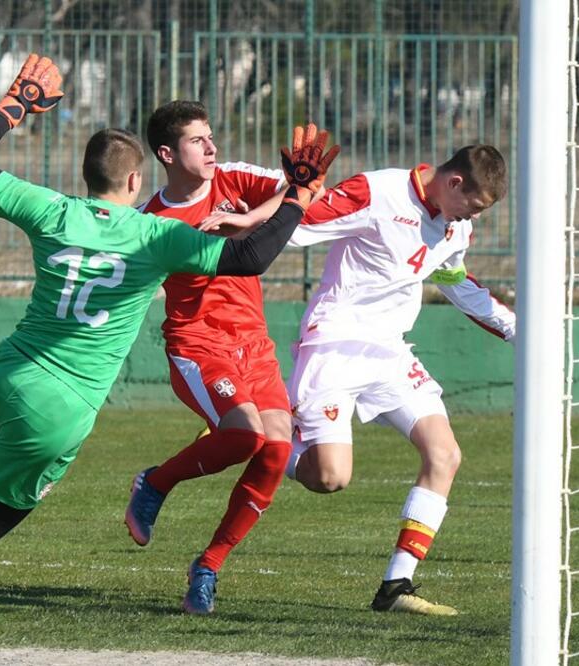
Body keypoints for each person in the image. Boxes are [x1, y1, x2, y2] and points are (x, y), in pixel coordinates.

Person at [0, 54, 337, 631]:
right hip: (61, 405)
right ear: (137, 181)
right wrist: (299, 197)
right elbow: (250, 258)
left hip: (7, 371)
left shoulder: (51, 209)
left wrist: (13, 108)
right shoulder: (156, 234)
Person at [212, 146, 516, 615]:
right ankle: (255, 438)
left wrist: (521, 331)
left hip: (389, 352)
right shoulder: (378, 190)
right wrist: (247, 220)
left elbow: (456, 282)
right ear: (455, 183)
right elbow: (303, 219)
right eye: (473, 206)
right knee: (329, 478)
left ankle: (396, 585)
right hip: (334, 344)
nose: (471, 218)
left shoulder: (457, 227)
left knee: (445, 453)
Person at [122, 100, 339, 615]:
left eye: (212, 135)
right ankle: (154, 483)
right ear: (167, 154)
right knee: (244, 436)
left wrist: (254, 214)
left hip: (254, 344)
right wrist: (240, 230)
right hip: (198, 345)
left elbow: (310, 193)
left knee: (275, 450)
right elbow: (244, 256)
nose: (213, 147)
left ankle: (209, 565)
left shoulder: (235, 178)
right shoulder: (153, 221)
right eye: (199, 141)